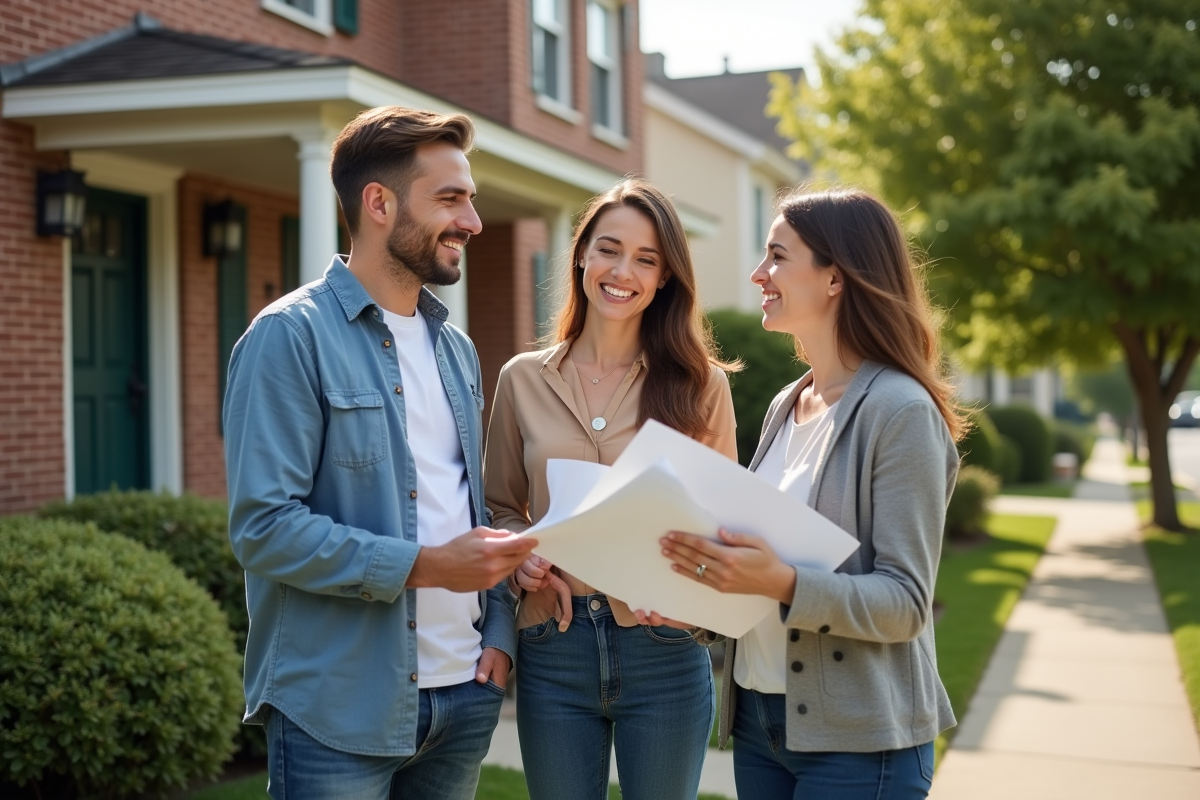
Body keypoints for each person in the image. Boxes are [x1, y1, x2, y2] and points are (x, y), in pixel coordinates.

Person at [223, 106, 538, 800]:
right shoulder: (288, 338)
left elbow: (469, 506)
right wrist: (426, 567)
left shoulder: (455, 349)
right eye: (450, 199)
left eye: (472, 200)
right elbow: (263, 529)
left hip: (464, 693)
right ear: (378, 203)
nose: (473, 222)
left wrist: (502, 636)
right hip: (337, 711)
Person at [655, 187, 966, 799]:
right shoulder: (786, 403)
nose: (758, 274)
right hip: (762, 728)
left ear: (835, 277)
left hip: (859, 742)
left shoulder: (899, 411)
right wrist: (698, 598)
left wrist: (781, 582)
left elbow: (904, 604)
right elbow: (762, 568)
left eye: (777, 256)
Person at [483, 179, 739, 800]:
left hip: (664, 652)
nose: (623, 271)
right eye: (609, 249)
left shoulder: (701, 386)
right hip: (553, 644)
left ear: (664, 279)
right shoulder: (522, 380)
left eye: (647, 259)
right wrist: (523, 559)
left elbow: (724, 529)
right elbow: (498, 509)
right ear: (580, 256)